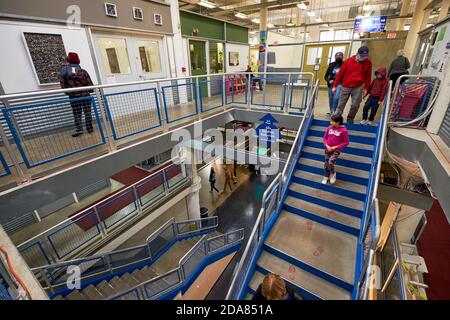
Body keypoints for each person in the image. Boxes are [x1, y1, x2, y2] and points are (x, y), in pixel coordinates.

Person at [333, 46, 372, 124]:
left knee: (355, 105)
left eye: (365, 56)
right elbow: (340, 74)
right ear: (357, 53)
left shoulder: (368, 63)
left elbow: (368, 76)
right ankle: (337, 118)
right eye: (361, 56)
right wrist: (335, 85)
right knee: (341, 104)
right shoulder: (348, 61)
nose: (363, 58)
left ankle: (350, 118)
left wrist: (366, 88)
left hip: (358, 86)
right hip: (346, 86)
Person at [59, 52, 94, 137]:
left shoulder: (64, 72)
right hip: (86, 96)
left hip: (74, 98)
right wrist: (91, 90)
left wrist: (69, 93)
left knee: (77, 114)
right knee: (87, 113)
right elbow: (90, 85)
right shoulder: (83, 71)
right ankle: (90, 129)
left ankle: (79, 131)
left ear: (69, 59)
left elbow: (63, 85)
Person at [322, 114, 349, 185]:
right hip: (327, 148)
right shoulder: (329, 128)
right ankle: (326, 176)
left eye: (332, 121)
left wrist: (335, 147)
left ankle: (333, 174)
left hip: (336, 150)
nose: (330, 122)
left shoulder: (344, 130)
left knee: (330, 162)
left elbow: (346, 142)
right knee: (326, 163)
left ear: (337, 123)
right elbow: (324, 138)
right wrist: (326, 145)